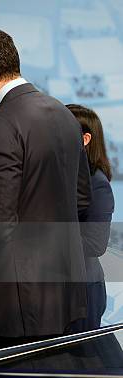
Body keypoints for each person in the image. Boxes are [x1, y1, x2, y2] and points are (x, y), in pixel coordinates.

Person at [0, 29, 91, 348]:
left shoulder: (0, 126)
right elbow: (82, 198)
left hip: (18, 302)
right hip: (64, 289)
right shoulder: (64, 114)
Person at [67, 104, 114, 331]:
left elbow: (95, 244)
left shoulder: (97, 184)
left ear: (85, 139)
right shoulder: (63, 175)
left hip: (83, 290)